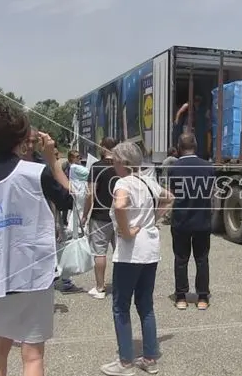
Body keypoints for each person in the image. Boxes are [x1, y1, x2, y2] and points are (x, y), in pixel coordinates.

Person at [0, 104, 72, 376]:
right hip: (33, 272)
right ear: (23, 137)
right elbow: (71, 199)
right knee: (32, 354)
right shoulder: (36, 172)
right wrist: (52, 160)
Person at [100, 142, 174, 376]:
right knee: (146, 305)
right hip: (150, 250)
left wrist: (127, 230)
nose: (112, 164)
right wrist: (154, 218)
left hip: (130, 253)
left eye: (114, 160)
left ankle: (125, 362)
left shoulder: (123, 183)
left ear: (123, 162)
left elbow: (120, 206)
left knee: (121, 307)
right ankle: (150, 358)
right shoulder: (149, 182)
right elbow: (170, 197)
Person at [22, 128, 78, 293]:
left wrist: (52, 163)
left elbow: (66, 198)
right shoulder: (9, 164)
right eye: (27, 141)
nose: (30, 145)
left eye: (34, 141)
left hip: (43, 223)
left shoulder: (43, 164)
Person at [167, 133, 215, 311]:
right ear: (196, 145)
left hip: (181, 220)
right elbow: (210, 193)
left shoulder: (174, 168)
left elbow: (172, 194)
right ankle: (202, 297)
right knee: (202, 259)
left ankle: (181, 297)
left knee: (181, 259)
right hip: (202, 220)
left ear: (179, 147)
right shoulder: (208, 167)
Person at [82, 137, 118, 299]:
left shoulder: (96, 167)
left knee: (100, 253)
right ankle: (121, 285)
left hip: (100, 216)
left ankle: (100, 287)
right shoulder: (123, 167)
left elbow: (90, 195)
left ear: (103, 148)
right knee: (121, 253)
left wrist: (84, 215)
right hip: (120, 216)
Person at [173, 95, 211, 160]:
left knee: (192, 140)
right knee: (185, 139)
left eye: (199, 101)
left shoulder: (197, 107)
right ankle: (183, 154)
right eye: (197, 101)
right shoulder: (188, 105)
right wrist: (177, 119)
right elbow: (180, 111)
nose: (198, 103)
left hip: (192, 126)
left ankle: (192, 154)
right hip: (187, 125)